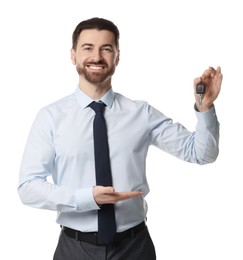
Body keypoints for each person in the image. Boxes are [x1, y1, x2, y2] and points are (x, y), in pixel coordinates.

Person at [18, 17, 223, 260]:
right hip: (75, 248)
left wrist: (205, 108)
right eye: (88, 48)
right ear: (73, 55)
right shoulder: (51, 117)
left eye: (106, 48)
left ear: (117, 56)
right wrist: (87, 198)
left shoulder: (140, 113)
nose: (97, 56)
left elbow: (201, 153)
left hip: (134, 248)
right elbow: (28, 187)